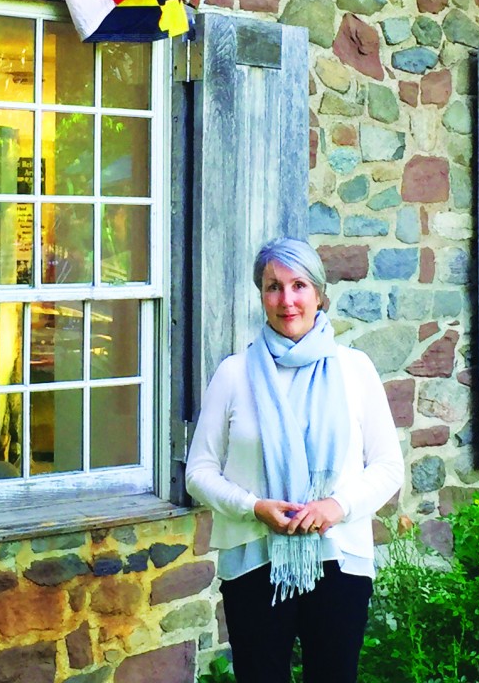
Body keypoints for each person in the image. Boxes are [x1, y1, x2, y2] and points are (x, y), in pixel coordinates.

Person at [186, 237, 404, 683]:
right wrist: (254, 507)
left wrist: (335, 507)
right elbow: (199, 473)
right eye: (273, 287)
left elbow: (387, 466)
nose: (287, 300)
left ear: (319, 294)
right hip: (254, 560)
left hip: (339, 558)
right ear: (261, 294)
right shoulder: (234, 373)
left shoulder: (355, 369)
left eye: (299, 285)